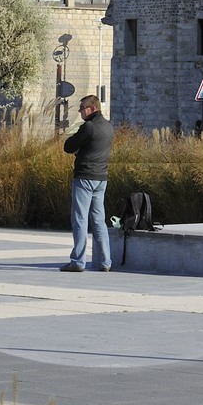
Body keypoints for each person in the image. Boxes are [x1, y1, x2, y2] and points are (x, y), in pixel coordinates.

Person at [61, 94, 112, 273]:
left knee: (80, 219)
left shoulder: (89, 126)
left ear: (91, 108)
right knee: (99, 220)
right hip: (101, 179)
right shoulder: (108, 126)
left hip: (84, 177)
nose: (80, 111)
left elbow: (68, 146)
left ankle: (77, 261)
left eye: (81, 108)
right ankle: (105, 262)